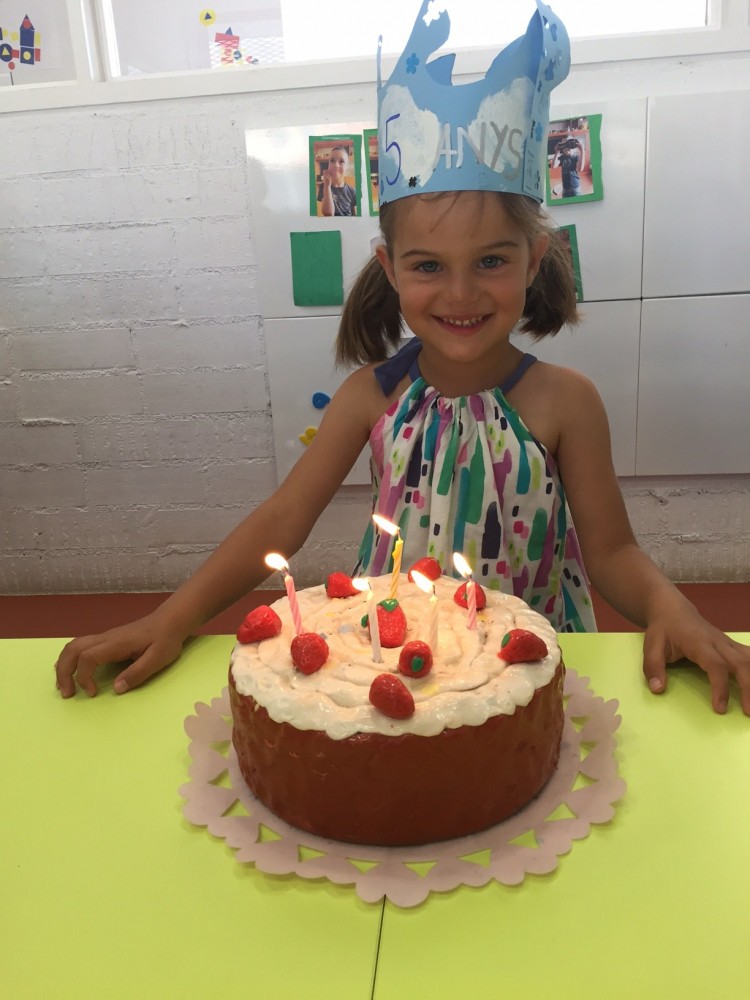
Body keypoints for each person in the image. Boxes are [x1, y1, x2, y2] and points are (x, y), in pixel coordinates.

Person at [55, 1, 750, 715]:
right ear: (390, 269)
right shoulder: (371, 397)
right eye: (427, 266)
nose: (461, 293)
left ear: (535, 257)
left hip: (529, 673)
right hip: (396, 669)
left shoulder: (567, 401)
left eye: (491, 261)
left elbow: (612, 553)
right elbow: (283, 519)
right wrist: (171, 619)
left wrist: (674, 608)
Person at [317, 144, 358, 216]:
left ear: (347, 169)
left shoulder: (352, 191)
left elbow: (355, 215)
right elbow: (328, 214)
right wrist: (327, 186)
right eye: (332, 161)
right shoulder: (323, 187)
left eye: (341, 161)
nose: (336, 165)